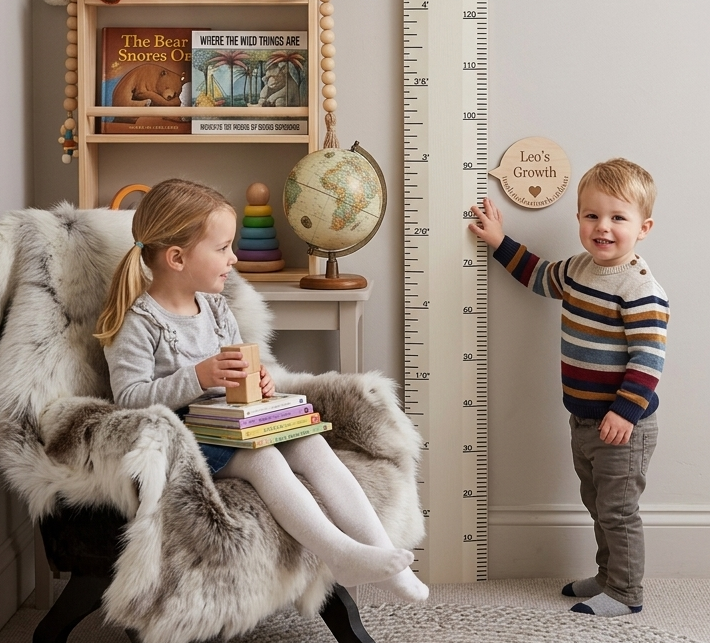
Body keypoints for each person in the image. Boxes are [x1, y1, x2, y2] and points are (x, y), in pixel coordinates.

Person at [95, 177, 428, 602]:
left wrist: (260, 382)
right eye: (221, 248)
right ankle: (339, 553)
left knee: (311, 444)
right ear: (177, 257)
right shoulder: (139, 322)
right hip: (186, 438)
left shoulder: (214, 307)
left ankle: (380, 553)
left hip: (233, 423)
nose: (232, 258)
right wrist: (199, 375)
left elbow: (238, 371)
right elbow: (129, 400)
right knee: (263, 458)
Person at [468, 158, 668, 618]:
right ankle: (606, 575)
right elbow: (539, 276)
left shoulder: (640, 288)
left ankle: (626, 591)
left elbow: (649, 359)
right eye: (592, 215)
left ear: (643, 228)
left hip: (624, 426)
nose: (603, 227)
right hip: (583, 419)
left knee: (618, 511)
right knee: (597, 504)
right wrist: (500, 242)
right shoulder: (579, 269)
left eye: (619, 218)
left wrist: (624, 412)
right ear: (578, 218)